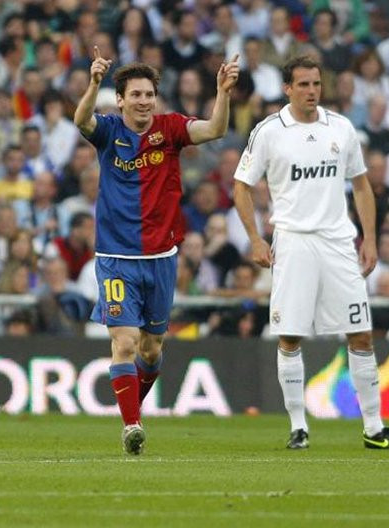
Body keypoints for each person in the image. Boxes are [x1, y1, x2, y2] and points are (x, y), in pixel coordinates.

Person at [232, 56, 389, 450]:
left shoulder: (341, 128)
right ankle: (299, 426)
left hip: (337, 241)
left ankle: (374, 427)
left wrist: (369, 238)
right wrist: (256, 239)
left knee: (361, 333)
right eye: (303, 85)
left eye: (316, 84)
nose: (311, 91)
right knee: (290, 335)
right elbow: (241, 186)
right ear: (287, 89)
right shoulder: (269, 131)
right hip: (294, 241)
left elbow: (362, 186)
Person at [73, 46, 239, 455]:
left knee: (151, 349)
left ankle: (133, 409)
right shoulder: (110, 131)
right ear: (122, 98)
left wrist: (223, 92)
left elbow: (215, 130)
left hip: (162, 259)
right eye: (136, 95)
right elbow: (81, 120)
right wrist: (93, 83)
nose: (144, 101)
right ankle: (131, 425)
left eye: (149, 94)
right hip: (116, 258)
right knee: (124, 343)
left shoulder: (171, 128)